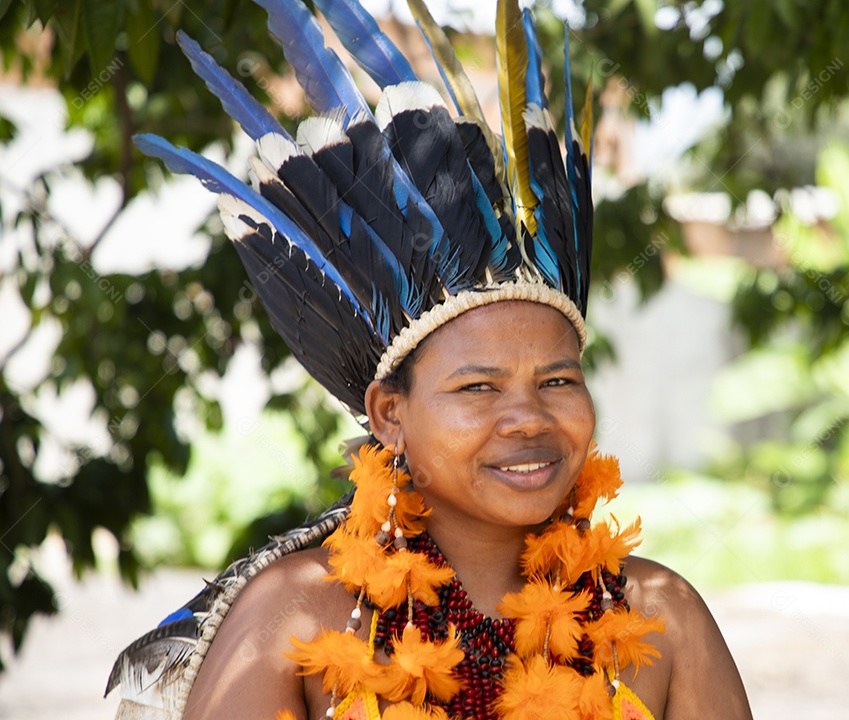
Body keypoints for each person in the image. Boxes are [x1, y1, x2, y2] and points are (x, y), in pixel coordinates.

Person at [106, 0, 753, 718]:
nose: (527, 418)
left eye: (558, 380)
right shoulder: (293, 617)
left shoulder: (663, 617)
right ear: (391, 413)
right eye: (478, 387)